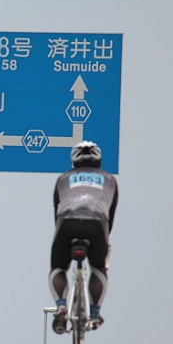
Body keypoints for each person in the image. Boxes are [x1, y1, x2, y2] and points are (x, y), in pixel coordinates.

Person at [50, 141, 118, 333]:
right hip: (97, 224)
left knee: (57, 267)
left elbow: (57, 211)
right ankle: (95, 313)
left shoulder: (63, 178)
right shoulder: (109, 179)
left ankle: (62, 305)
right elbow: (110, 215)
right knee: (99, 267)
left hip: (67, 222)